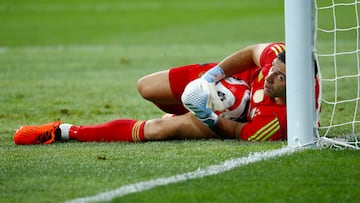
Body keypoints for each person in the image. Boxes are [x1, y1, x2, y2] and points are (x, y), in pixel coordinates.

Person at [13, 42, 316, 145]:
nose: (270, 76)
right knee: (146, 86)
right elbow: (252, 52)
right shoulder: (279, 57)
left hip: (229, 119)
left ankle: (62, 132)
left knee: (161, 129)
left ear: (297, 86)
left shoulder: (275, 125)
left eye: (278, 77)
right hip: (228, 80)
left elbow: (238, 131)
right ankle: (185, 107)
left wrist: (206, 116)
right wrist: (214, 76)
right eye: (272, 69)